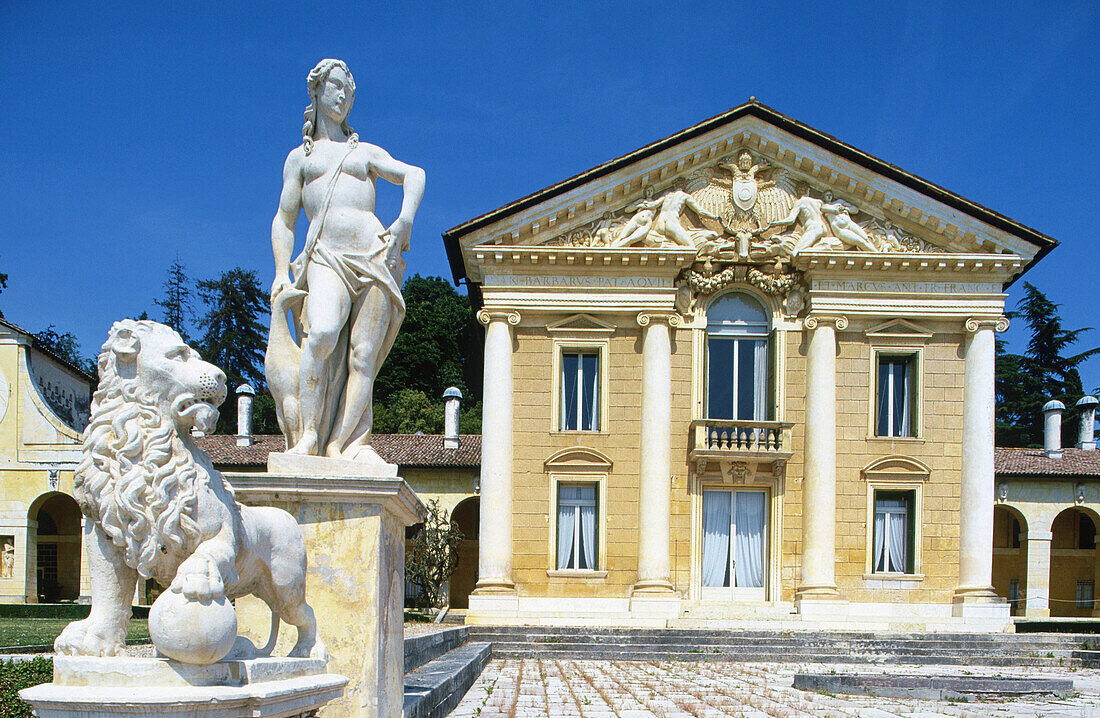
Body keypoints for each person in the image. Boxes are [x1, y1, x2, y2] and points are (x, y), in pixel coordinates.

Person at [269, 59, 425, 461]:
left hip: (374, 254)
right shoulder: (300, 159)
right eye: (335, 87)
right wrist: (280, 270)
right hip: (325, 256)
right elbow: (285, 220)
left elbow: (414, 175)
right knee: (320, 335)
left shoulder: (365, 152)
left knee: (363, 355)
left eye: (348, 91)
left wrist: (404, 220)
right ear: (317, 92)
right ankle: (309, 436)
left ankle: (348, 443)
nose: (342, 96)